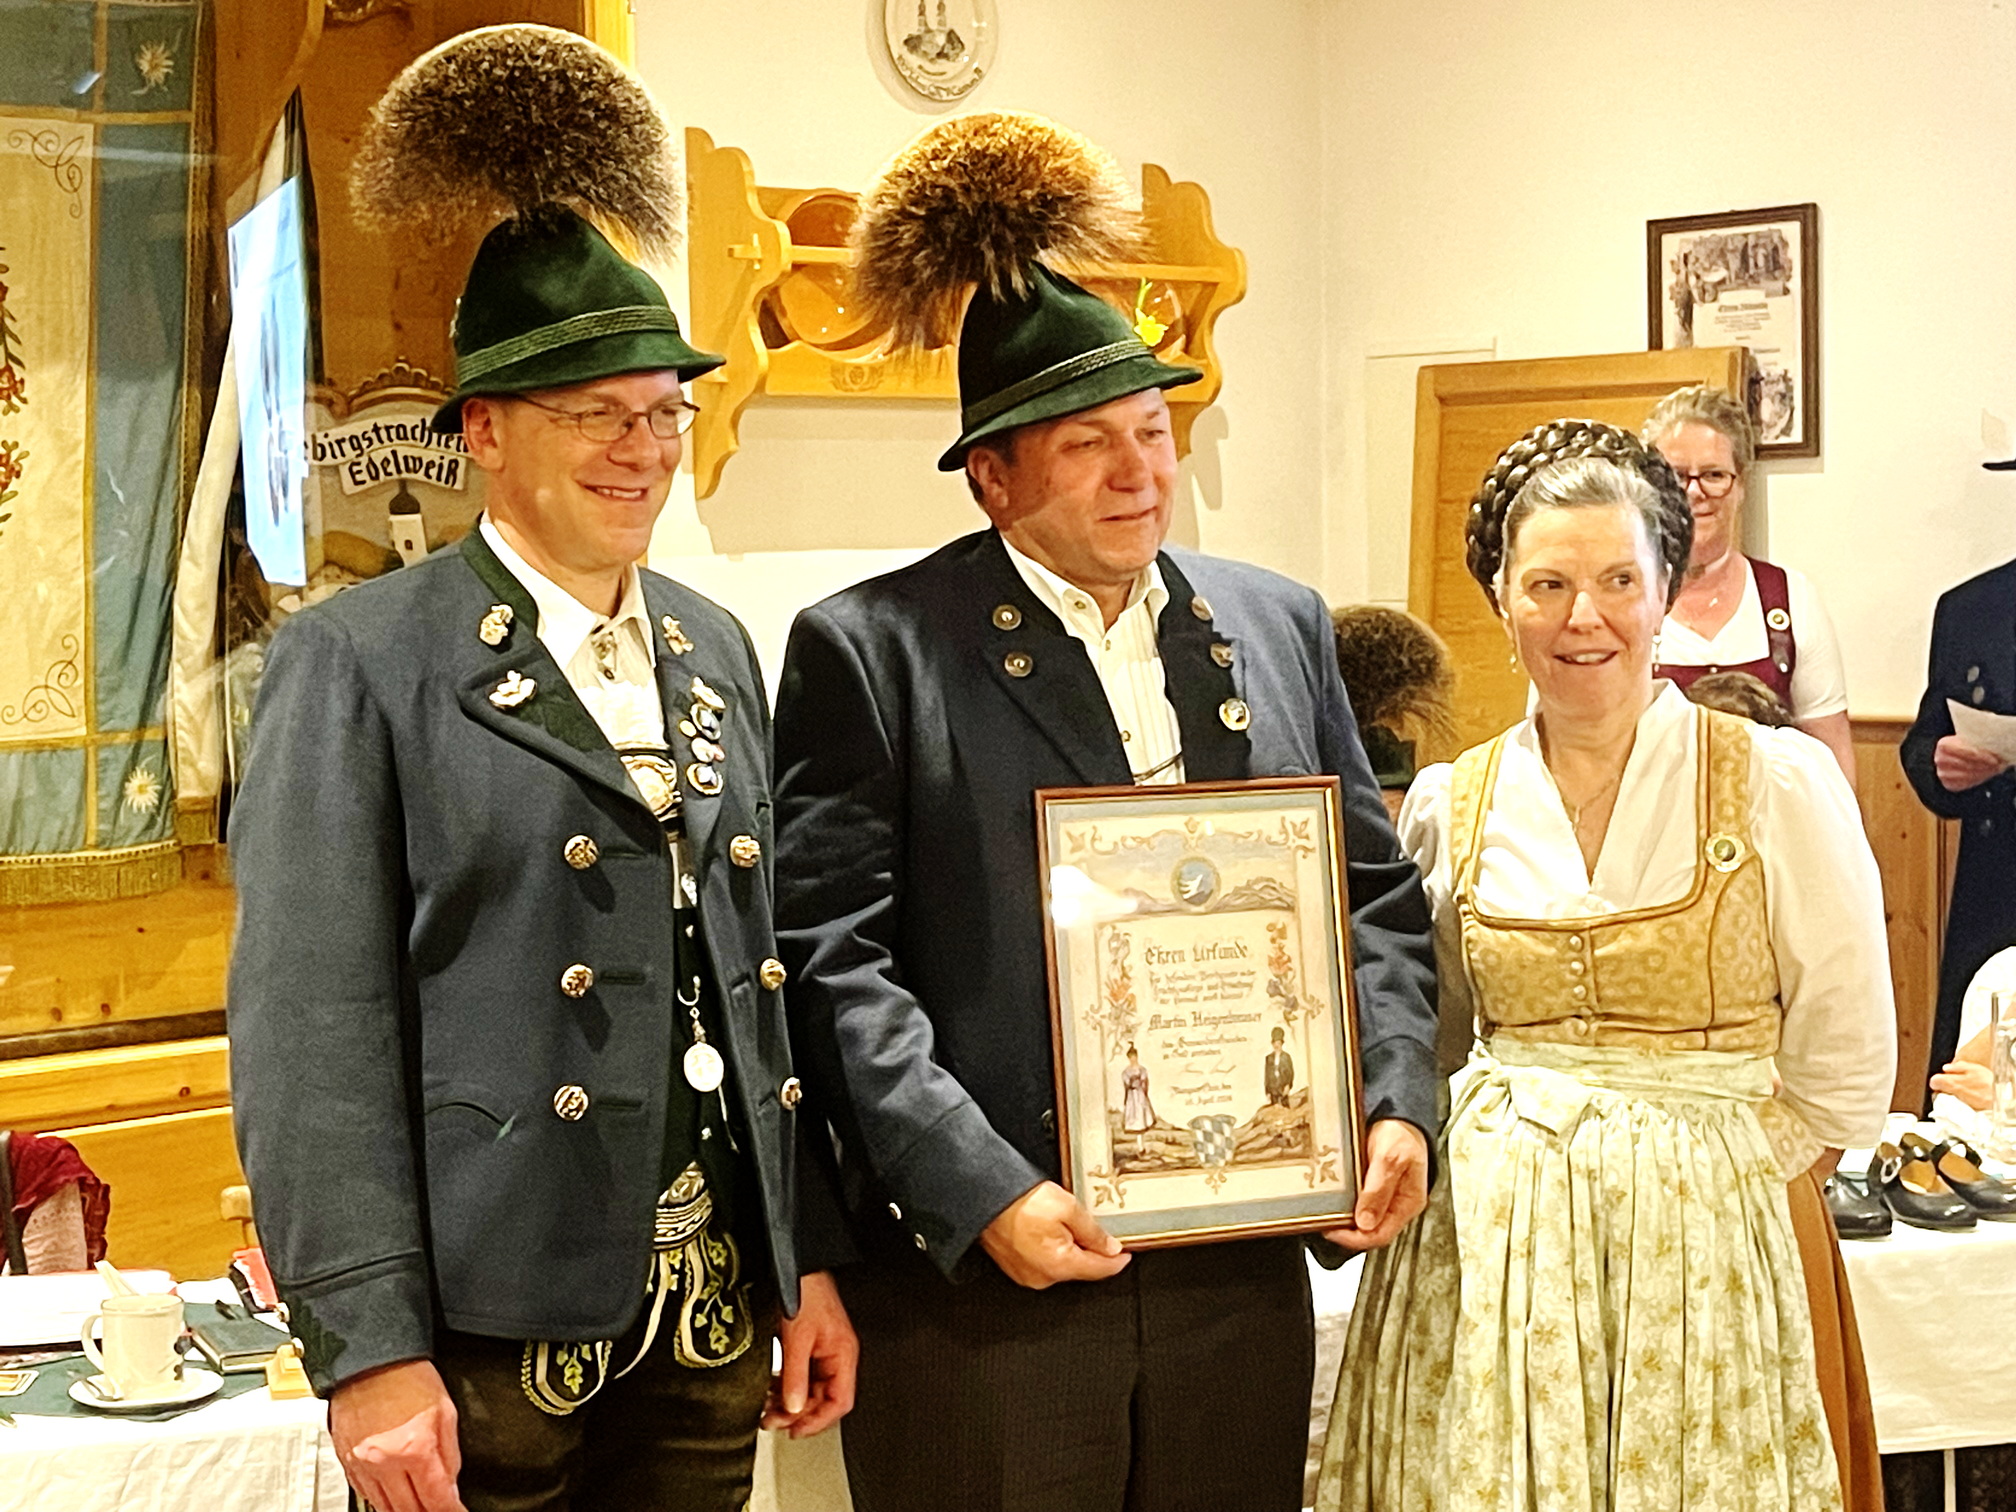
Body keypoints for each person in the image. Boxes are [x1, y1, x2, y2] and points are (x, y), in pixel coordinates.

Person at [772, 112, 1440, 1512]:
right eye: (1089, 444)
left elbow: (1370, 896)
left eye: (1154, 431)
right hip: (991, 1298)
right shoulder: (873, 650)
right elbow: (832, 965)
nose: (1141, 472)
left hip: (1235, 1282)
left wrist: (1394, 1101)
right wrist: (979, 1190)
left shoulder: (1277, 623)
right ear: (995, 475)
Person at [226, 29, 853, 1512]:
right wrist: (368, 1349)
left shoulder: (714, 644)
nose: (640, 448)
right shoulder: (361, 660)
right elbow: (314, 1033)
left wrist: (805, 1255)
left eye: (662, 411)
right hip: (485, 1325)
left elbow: (757, 982)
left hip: (706, 1309)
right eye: (593, 414)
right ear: (487, 433)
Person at [1318, 420, 1896, 1512]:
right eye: (1547, 584)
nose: (1583, 616)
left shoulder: (1771, 781)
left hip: (1708, 1254)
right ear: (1503, 602)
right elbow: (1431, 1040)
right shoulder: (1453, 801)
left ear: (1666, 589)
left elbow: (1847, 1051)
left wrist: (1710, 1179)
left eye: (1619, 580)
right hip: (1490, 1268)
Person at [1643, 384, 1857, 781]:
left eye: (1714, 475)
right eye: (1676, 476)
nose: (1695, 492)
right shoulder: (1618, 600)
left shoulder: (1791, 600)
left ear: (1741, 485)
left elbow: (1833, 772)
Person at [1901, 549, 2016, 1081]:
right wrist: (1937, 763)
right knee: (1970, 1086)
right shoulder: (1973, 607)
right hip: (1997, 890)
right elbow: (1927, 737)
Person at [1264, 1026, 1295, 1105]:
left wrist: (1288, 1085)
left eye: (1278, 1043)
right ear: (1272, 1044)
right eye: (1275, 1043)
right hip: (1273, 1090)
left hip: (1283, 1089)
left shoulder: (1286, 1057)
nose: (1276, 1046)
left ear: (1282, 1044)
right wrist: (1267, 1092)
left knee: (1285, 1109)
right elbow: (1267, 1076)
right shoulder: (1268, 1058)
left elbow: (1290, 1073)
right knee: (1273, 1110)